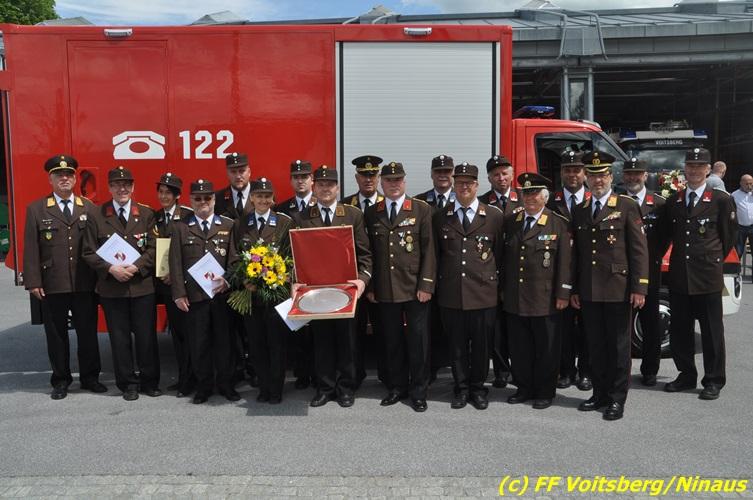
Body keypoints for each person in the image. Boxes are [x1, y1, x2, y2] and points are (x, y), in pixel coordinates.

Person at [570, 151, 648, 421]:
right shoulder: (580, 210)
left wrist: (639, 287)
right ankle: (599, 393)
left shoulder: (626, 205)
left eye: (602, 175)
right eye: (593, 176)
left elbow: (639, 251)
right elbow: (577, 254)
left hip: (618, 288)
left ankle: (616, 398)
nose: (598, 180)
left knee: (618, 347)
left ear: (611, 177)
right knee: (595, 346)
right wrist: (574, 288)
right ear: (586, 179)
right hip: (590, 290)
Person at [23, 155, 105, 400]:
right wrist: (34, 281)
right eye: (59, 175)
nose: (64, 179)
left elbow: (98, 246)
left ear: (75, 179)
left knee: (87, 333)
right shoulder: (37, 209)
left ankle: (90, 378)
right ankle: (61, 380)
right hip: (53, 283)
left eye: (69, 175)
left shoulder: (89, 207)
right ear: (50, 179)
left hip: (84, 282)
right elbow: (31, 248)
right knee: (56, 335)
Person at [292, 165, 372, 408]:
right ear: (314, 187)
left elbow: (365, 255)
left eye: (330, 184)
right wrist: (295, 281)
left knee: (347, 342)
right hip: (316, 294)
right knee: (322, 342)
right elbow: (295, 256)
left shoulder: (353, 215)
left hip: (346, 292)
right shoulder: (301, 218)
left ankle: (346, 388)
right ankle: (325, 388)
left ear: (338, 188)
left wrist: (363, 280)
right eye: (321, 184)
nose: (326, 188)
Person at [661, 148, 737, 401]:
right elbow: (667, 236)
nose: (694, 170)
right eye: (690, 166)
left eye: (699, 166)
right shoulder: (674, 201)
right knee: (680, 331)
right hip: (680, 277)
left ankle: (713, 380)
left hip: (707, 277)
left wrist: (710, 259)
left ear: (708, 170)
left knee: (712, 333)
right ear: (685, 169)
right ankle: (686, 375)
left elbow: (728, 238)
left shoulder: (721, 200)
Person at [82, 166, 160, 401]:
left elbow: (154, 247)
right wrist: (110, 269)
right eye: (116, 185)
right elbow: (88, 251)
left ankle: (150, 382)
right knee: (119, 339)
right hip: (112, 288)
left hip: (142, 286)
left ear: (133, 187)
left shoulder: (146, 214)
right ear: (109, 188)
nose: (122, 189)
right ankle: (128, 384)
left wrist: (136, 267)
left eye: (126, 184)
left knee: (147, 337)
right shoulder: (96, 215)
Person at [364, 161, 435, 412]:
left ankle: (419, 391)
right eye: (388, 180)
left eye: (397, 180)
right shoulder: (372, 212)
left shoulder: (421, 209)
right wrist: (371, 286)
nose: (393, 184)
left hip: (415, 289)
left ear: (404, 182)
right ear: (381, 183)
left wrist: (426, 285)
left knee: (418, 343)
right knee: (391, 341)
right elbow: (369, 253)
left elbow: (429, 250)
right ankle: (397, 387)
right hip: (385, 289)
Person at [433, 162, 504, 410]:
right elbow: (437, 255)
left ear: (477, 185)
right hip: (452, 294)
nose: (464, 187)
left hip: (483, 294)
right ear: (454, 185)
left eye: (469, 183)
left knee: (482, 348)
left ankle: (478, 389)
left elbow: (500, 255)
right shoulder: (441, 216)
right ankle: (461, 388)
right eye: (460, 182)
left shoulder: (494, 216)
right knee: (457, 347)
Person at [502, 172, 571, 409]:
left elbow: (565, 262)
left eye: (534, 194)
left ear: (545, 197)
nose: (529, 198)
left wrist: (563, 293)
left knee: (546, 349)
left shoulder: (558, 223)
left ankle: (544, 391)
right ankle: (524, 388)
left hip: (545, 298)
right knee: (520, 349)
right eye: (526, 193)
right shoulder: (512, 221)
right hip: (516, 297)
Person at [169, 179, 239, 404]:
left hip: (221, 296)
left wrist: (227, 281)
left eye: (207, 198)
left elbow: (234, 260)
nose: (203, 202)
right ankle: (204, 387)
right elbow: (175, 263)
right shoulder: (180, 228)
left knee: (225, 343)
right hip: (195, 297)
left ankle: (226, 384)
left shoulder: (228, 225)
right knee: (199, 344)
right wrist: (179, 294)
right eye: (197, 198)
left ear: (214, 199)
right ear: (191, 200)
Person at [235, 178, 293, 404]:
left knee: (276, 344)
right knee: (257, 344)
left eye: (267, 196)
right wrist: (244, 280)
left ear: (273, 199)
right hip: (251, 296)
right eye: (259, 196)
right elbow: (235, 257)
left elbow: (291, 258)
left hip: (276, 296)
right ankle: (264, 386)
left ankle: (276, 389)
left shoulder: (284, 222)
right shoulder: (242, 223)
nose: (263, 200)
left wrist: (282, 278)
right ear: (252, 198)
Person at [547, 150, 592, 392]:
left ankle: (586, 372)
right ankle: (565, 371)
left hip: (589, 273)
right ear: (561, 173)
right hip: (558, 273)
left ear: (585, 173)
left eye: (577, 169)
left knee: (587, 327)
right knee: (562, 327)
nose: (572, 174)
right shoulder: (550, 201)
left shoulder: (595, 199)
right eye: (567, 170)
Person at [622, 158, 667, 386]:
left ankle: (650, 370)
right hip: (619, 273)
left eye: (637, 174)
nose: (633, 177)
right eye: (629, 174)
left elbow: (667, 236)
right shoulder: (616, 201)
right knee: (621, 325)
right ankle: (620, 370)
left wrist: (654, 257)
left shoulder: (659, 204)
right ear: (623, 177)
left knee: (650, 323)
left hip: (649, 271)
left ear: (646, 175)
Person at [213, 152, 256, 387]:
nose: (238, 175)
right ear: (227, 173)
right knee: (232, 327)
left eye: (242, 170)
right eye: (233, 171)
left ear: (249, 172)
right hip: (228, 271)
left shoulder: (261, 194)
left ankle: (255, 369)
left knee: (254, 326)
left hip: (255, 273)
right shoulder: (219, 198)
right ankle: (237, 369)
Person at [343, 155, 386, 388]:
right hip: (354, 282)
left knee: (384, 332)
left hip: (383, 281)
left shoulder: (387, 204)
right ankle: (355, 375)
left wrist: (374, 283)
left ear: (378, 177)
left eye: (372, 175)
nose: (368, 179)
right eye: (363, 175)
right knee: (354, 334)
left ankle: (386, 375)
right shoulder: (345, 206)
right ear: (356, 177)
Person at [478, 154, 520, 388]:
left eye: (504, 173)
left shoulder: (525, 198)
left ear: (512, 175)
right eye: (496, 174)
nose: (501, 178)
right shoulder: (482, 202)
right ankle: (502, 371)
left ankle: (521, 368)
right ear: (489, 178)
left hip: (518, 273)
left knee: (517, 325)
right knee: (496, 328)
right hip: (491, 272)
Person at [274, 159, 316, 390]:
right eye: (296, 177)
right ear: (291, 181)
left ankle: (319, 373)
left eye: (305, 177)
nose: (301, 181)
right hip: (293, 277)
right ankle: (302, 373)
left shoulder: (323, 204)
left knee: (318, 330)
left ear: (312, 180)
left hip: (317, 275)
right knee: (298, 327)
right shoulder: (282, 209)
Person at [153, 172, 195, 397]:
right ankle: (182, 377)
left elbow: (194, 250)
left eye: (168, 193)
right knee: (177, 335)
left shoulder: (188, 216)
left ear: (177, 195)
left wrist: (177, 275)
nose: (163, 196)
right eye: (161, 192)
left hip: (185, 285)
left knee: (190, 334)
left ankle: (191, 379)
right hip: (166, 285)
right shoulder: (156, 218)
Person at [415, 154, 456, 383]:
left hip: (453, 274)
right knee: (428, 326)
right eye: (438, 172)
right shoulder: (420, 202)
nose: (443, 175)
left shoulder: (464, 199)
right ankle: (429, 369)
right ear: (431, 174)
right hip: (428, 274)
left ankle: (455, 369)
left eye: (446, 172)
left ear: (452, 174)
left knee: (453, 326)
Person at [730, 174, 753, 264]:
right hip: (740, 227)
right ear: (741, 183)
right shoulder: (734, 195)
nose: (749, 186)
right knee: (738, 252)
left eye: (751, 184)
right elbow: (731, 211)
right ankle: (735, 270)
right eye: (747, 184)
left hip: (752, 226)